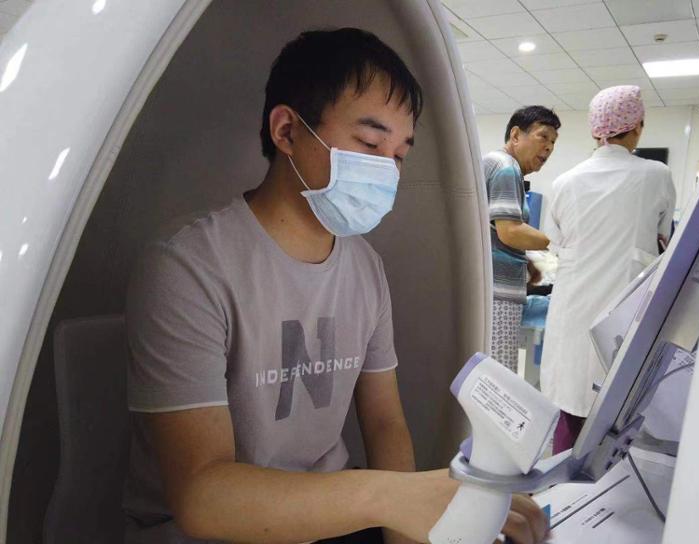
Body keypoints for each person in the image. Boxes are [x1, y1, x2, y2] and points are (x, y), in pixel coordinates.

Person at [123, 28, 548, 544]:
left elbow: (385, 422)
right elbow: (203, 497)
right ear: (287, 131)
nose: (387, 171)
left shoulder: (365, 267)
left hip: (331, 520)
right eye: (369, 144)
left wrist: (402, 533)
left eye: (399, 155)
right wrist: (392, 498)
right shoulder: (189, 265)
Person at [540, 85, 676, 454]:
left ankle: (562, 484)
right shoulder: (656, 175)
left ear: (594, 129)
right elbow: (664, 236)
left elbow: (555, 241)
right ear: (638, 127)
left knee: (570, 411)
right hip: (625, 313)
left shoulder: (565, 182)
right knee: (618, 415)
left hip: (572, 313)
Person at [484, 106, 560, 371]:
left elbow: (494, 230)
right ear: (516, 135)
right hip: (498, 296)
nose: (549, 147)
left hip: (491, 291)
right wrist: (559, 243)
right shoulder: (506, 167)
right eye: (543, 136)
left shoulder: (495, 164)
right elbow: (510, 231)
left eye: (553, 142)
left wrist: (527, 263)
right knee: (497, 377)